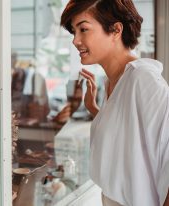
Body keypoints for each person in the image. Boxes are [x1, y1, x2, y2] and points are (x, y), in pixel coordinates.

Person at [60, 0, 169, 206]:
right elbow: (128, 138)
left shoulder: (142, 79)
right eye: (74, 31)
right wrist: (96, 111)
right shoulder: (113, 82)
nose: (75, 40)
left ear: (116, 30)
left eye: (83, 29)